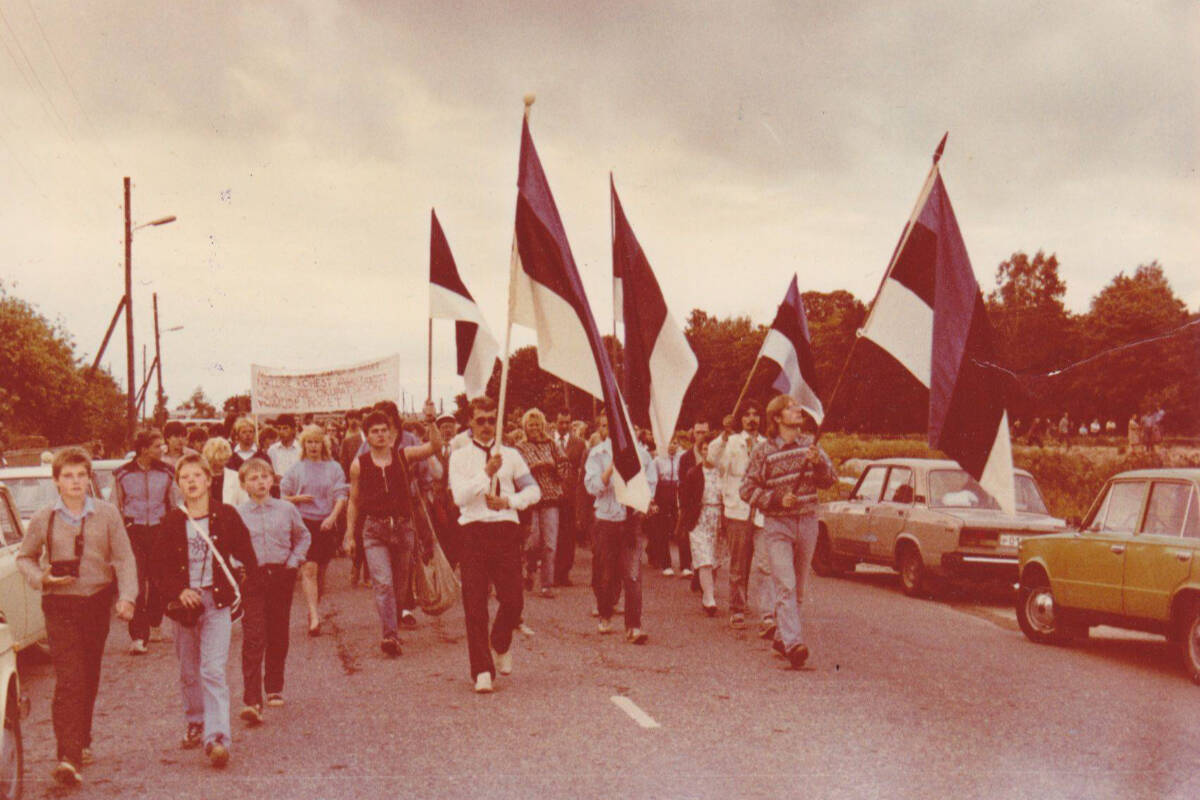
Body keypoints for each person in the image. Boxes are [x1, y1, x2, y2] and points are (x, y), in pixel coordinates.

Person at [17, 448, 137, 787]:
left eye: (81, 475)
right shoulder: (44, 518)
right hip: (59, 605)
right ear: (56, 481)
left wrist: (127, 597)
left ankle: (81, 737)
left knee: (88, 673)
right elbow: (25, 557)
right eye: (68, 476)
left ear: (89, 478)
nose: (75, 482)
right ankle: (67, 757)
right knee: (69, 678)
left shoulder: (107, 513)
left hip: (96, 602)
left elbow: (124, 558)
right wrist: (42, 578)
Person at [153, 454, 259, 767]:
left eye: (196, 476)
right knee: (189, 670)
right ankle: (196, 720)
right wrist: (177, 591)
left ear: (208, 480)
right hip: (185, 607)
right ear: (178, 485)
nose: (191, 482)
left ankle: (217, 738)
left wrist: (246, 581)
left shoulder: (226, 515)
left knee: (212, 669)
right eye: (184, 477)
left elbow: (246, 554)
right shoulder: (172, 520)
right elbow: (158, 567)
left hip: (217, 603)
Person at [448, 397, 541, 693]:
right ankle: (482, 671)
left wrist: (509, 501)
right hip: (473, 530)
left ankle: (500, 642)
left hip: (505, 529)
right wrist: (486, 473)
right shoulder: (459, 456)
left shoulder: (512, 455)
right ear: (471, 423)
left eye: (491, 420)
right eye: (481, 420)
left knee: (513, 599)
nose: (487, 426)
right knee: (475, 603)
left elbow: (534, 490)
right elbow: (459, 497)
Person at [740, 395, 835, 670]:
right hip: (778, 526)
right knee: (786, 584)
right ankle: (794, 644)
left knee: (800, 588)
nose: (798, 410)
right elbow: (746, 489)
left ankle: (782, 638)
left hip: (807, 521)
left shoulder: (810, 445)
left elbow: (829, 480)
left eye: (797, 406)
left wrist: (818, 464)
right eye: (791, 408)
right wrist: (776, 499)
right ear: (778, 418)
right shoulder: (763, 452)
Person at [344, 409, 441, 656]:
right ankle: (390, 636)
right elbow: (354, 500)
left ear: (392, 434)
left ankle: (394, 619)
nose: (380, 435)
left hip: (402, 529)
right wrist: (348, 534)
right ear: (367, 436)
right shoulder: (359, 465)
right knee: (383, 584)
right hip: (374, 531)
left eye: (384, 431)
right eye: (374, 432)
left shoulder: (403, 455)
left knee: (399, 587)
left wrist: (431, 422)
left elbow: (434, 447)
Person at [235, 458, 309, 723]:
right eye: (253, 478)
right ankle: (252, 698)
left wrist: (292, 562)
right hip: (252, 578)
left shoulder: (286, 509)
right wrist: (239, 566)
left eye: (264, 477)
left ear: (272, 480)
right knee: (254, 634)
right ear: (243, 485)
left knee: (278, 632)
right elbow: (229, 545)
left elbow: (303, 537)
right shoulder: (238, 514)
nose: (260, 482)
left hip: (280, 575)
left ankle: (274, 686)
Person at [584, 412, 658, 645]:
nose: (610, 430)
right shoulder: (598, 454)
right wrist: (612, 468)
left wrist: (646, 503)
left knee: (632, 574)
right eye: (605, 426)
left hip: (630, 520)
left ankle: (633, 626)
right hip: (606, 520)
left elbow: (650, 483)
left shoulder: (642, 455)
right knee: (606, 573)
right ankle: (605, 611)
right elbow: (592, 486)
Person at [709, 402, 775, 635]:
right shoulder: (731, 442)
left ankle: (768, 614)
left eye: (755, 414)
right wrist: (723, 438)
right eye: (747, 415)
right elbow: (713, 460)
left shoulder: (767, 443)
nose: (751, 419)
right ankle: (737, 608)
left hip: (761, 511)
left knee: (765, 564)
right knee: (738, 564)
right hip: (737, 508)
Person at [112, 428, 177, 654]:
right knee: (136, 582)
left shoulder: (168, 472)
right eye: (158, 446)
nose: (162, 449)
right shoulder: (122, 474)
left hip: (160, 530)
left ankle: (155, 620)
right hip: (133, 531)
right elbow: (115, 506)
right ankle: (138, 636)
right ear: (143, 449)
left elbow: (175, 503)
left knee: (158, 581)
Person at [281, 425, 349, 636]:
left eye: (316, 442)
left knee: (320, 572)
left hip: (326, 523)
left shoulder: (334, 468)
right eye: (309, 442)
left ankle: (314, 608)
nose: (313, 446)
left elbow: (341, 495)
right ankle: (314, 616)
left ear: (323, 444)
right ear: (304, 445)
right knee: (308, 570)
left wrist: (333, 517)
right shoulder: (296, 469)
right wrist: (296, 499)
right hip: (304, 524)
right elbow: (282, 496)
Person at [515, 408, 567, 598]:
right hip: (530, 498)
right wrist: (534, 467)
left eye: (537, 424)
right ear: (525, 427)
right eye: (531, 424)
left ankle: (547, 584)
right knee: (533, 541)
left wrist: (555, 468)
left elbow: (564, 464)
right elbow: (518, 470)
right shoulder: (520, 447)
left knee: (550, 543)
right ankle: (529, 570)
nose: (534, 428)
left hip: (550, 496)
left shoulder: (551, 444)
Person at [679, 432, 722, 614]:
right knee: (704, 558)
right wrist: (687, 522)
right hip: (700, 518)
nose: (708, 453)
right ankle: (709, 599)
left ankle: (707, 591)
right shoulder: (694, 473)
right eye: (705, 450)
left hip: (718, 518)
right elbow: (685, 498)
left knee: (714, 560)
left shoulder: (722, 473)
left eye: (711, 450)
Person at [550, 410, 586, 586]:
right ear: (555, 422)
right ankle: (551, 572)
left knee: (567, 536)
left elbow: (582, 471)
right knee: (551, 535)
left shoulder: (579, 444)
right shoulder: (547, 441)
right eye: (561, 422)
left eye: (568, 423)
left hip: (570, 496)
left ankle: (563, 573)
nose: (564, 426)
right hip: (550, 495)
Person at [648, 437, 683, 572]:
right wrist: (653, 500)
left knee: (678, 525)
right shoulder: (658, 460)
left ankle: (685, 564)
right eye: (669, 443)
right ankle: (666, 563)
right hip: (662, 491)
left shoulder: (681, 458)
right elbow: (653, 479)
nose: (672, 446)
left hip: (676, 491)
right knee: (661, 528)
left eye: (675, 443)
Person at [202, 437, 248, 508]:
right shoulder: (201, 477)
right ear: (209, 459)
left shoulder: (235, 477)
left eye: (225, 460)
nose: (222, 464)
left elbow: (244, 503)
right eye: (219, 460)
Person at [267, 414, 302, 489]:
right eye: (279, 428)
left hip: (297, 490)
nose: (281, 432)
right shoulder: (272, 450)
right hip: (278, 490)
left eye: (285, 428)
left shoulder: (301, 449)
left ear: (293, 430)